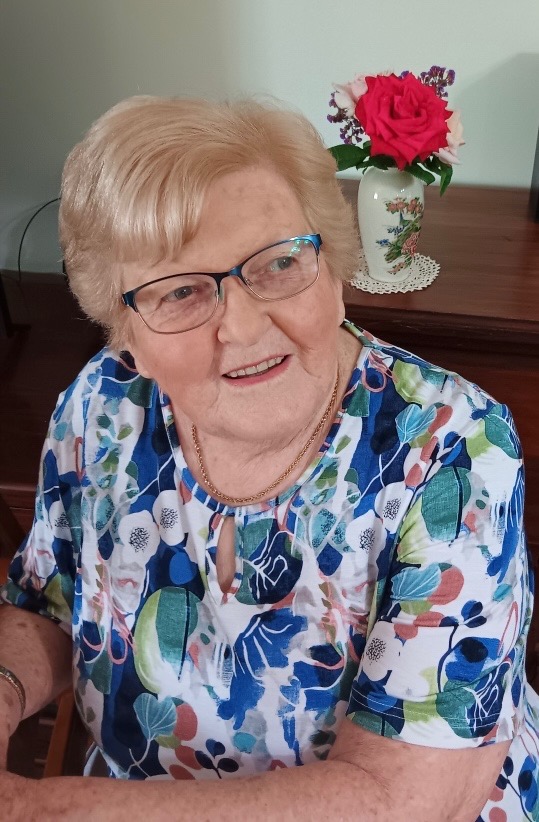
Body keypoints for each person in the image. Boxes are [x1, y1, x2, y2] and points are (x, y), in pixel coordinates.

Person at [0, 95, 538, 821]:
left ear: (334, 266)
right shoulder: (103, 403)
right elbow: (51, 603)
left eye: (279, 262)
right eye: (180, 292)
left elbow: (405, 799)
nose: (244, 325)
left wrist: (39, 811)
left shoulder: (452, 448)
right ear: (125, 332)